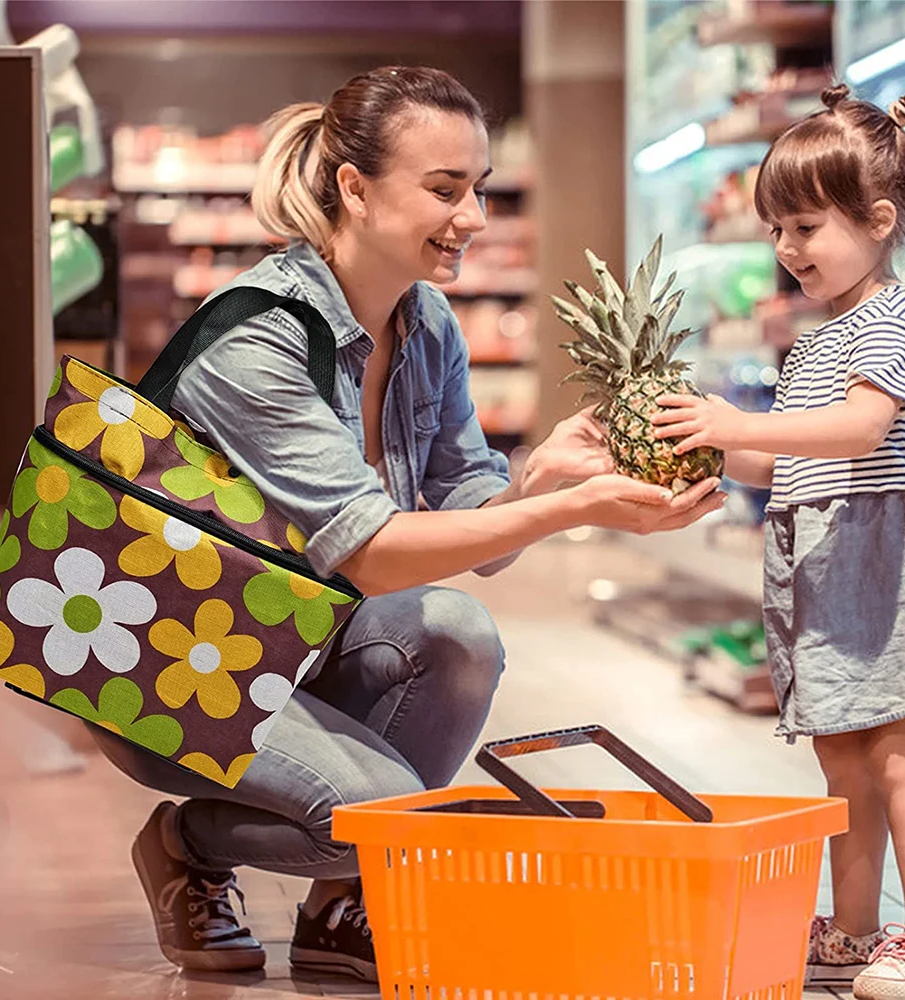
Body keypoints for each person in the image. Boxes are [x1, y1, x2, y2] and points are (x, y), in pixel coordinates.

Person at [90, 65, 724, 982]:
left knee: (459, 633)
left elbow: (474, 523)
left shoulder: (425, 323)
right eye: (443, 189)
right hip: (166, 659)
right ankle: (187, 841)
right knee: (394, 816)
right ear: (353, 187)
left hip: (289, 640)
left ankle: (336, 907)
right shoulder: (257, 340)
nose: (472, 215)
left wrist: (534, 484)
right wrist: (571, 507)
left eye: (477, 188)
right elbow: (374, 554)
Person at [652, 83, 905, 1000]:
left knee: (898, 749)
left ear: (880, 219)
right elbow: (794, 466)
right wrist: (707, 461)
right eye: (777, 229)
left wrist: (732, 421)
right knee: (840, 754)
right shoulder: (816, 343)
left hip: (888, 551)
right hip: (824, 556)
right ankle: (855, 932)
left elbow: (860, 432)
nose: (786, 250)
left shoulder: (897, 321)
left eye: (807, 227)